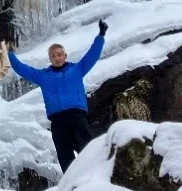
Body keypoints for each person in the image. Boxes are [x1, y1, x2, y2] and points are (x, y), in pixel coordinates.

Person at [8, 20, 108, 173]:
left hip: (76, 116)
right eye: (53, 55)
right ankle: (72, 182)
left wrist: (101, 35)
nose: (57, 58)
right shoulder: (43, 76)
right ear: (50, 59)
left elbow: (92, 55)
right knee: (64, 154)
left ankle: (95, 176)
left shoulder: (77, 69)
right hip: (57, 120)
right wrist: (9, 53)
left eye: (59, 55)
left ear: (65, 56)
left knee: (86, 148)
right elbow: (21, 69)